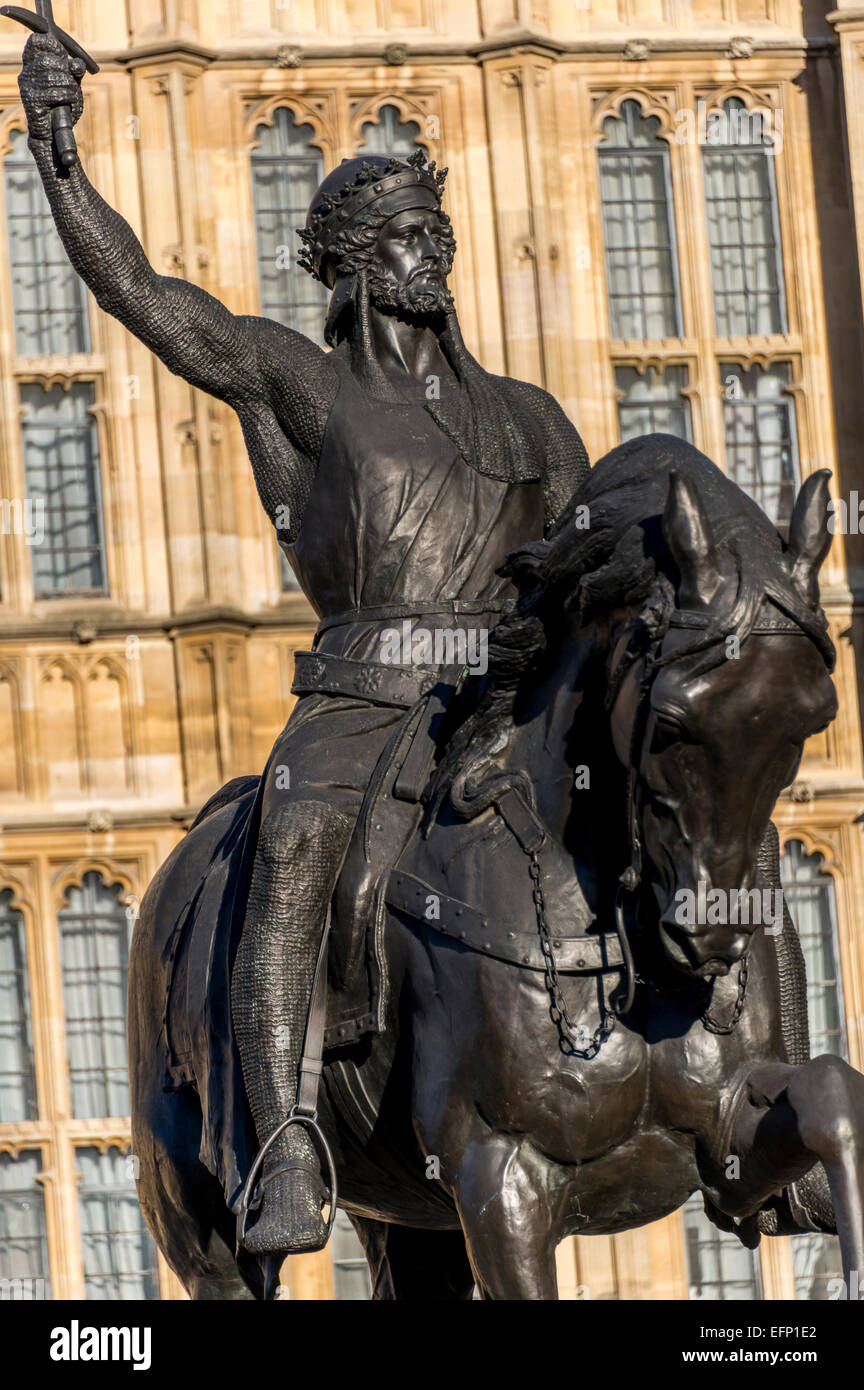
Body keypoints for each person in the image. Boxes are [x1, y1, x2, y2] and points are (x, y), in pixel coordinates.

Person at [18, 30, 591, 1257]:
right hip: (361, 698)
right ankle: (283, 1136)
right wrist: (56, 153)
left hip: (499, 698)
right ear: (345, 267)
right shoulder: (304, 387)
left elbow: (584, 567)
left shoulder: (533, 421)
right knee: (292, 840)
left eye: (435, 230)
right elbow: (148, 301)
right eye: (400, 237)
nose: (429, 251)